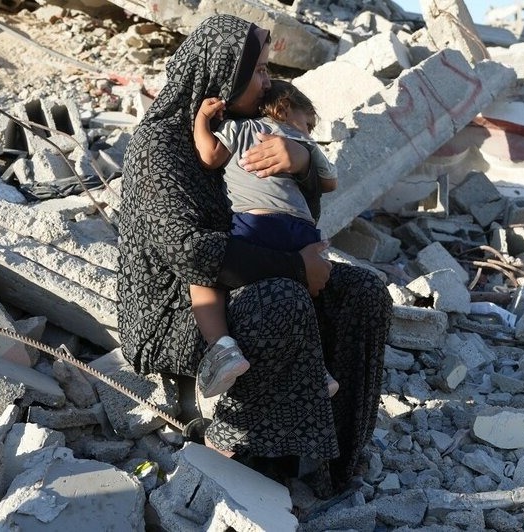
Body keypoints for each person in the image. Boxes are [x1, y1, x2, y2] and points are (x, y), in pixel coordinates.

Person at [118, 14, 392, 493]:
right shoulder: (158, 148)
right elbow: (192, 254)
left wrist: (302, 163)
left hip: (245, 279)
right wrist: (294, 268)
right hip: (180, 312)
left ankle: (338, 458)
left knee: (364, 293)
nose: (269, 81)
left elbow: (295, 218)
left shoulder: (249, 128)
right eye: (261, 71)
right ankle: (235, 447)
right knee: (281, 299)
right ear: (227, 75)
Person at [189, 80, 339, 399]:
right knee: (304, 297)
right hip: (303, 232)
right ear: (285, 109)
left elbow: (207, 157)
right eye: (308, 123)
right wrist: (303, 157)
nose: (309, 132)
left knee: (204, 276)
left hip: (255, 223)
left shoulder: (239, 129)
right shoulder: (303, 143)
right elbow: (329, 183)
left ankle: (222, 349)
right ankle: (316, 369)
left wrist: (202, 119)